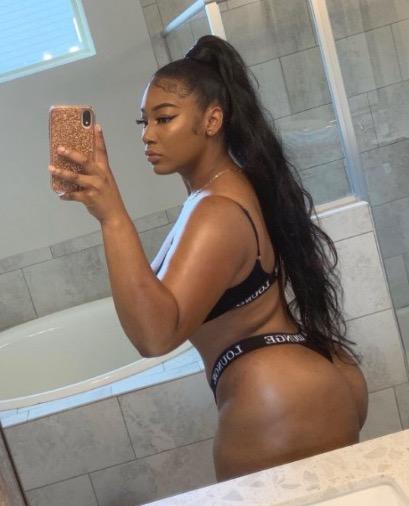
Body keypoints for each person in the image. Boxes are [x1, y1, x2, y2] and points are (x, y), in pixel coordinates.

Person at [49, 35, 368, 482]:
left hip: (278, 399)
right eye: (144, 121)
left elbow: (155, 335)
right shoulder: (221, 190)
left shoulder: (216, 212)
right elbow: (160, 302)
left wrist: (113, 216)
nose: (148, 135)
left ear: (212, 119)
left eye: (164, 118)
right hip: (296, 382)